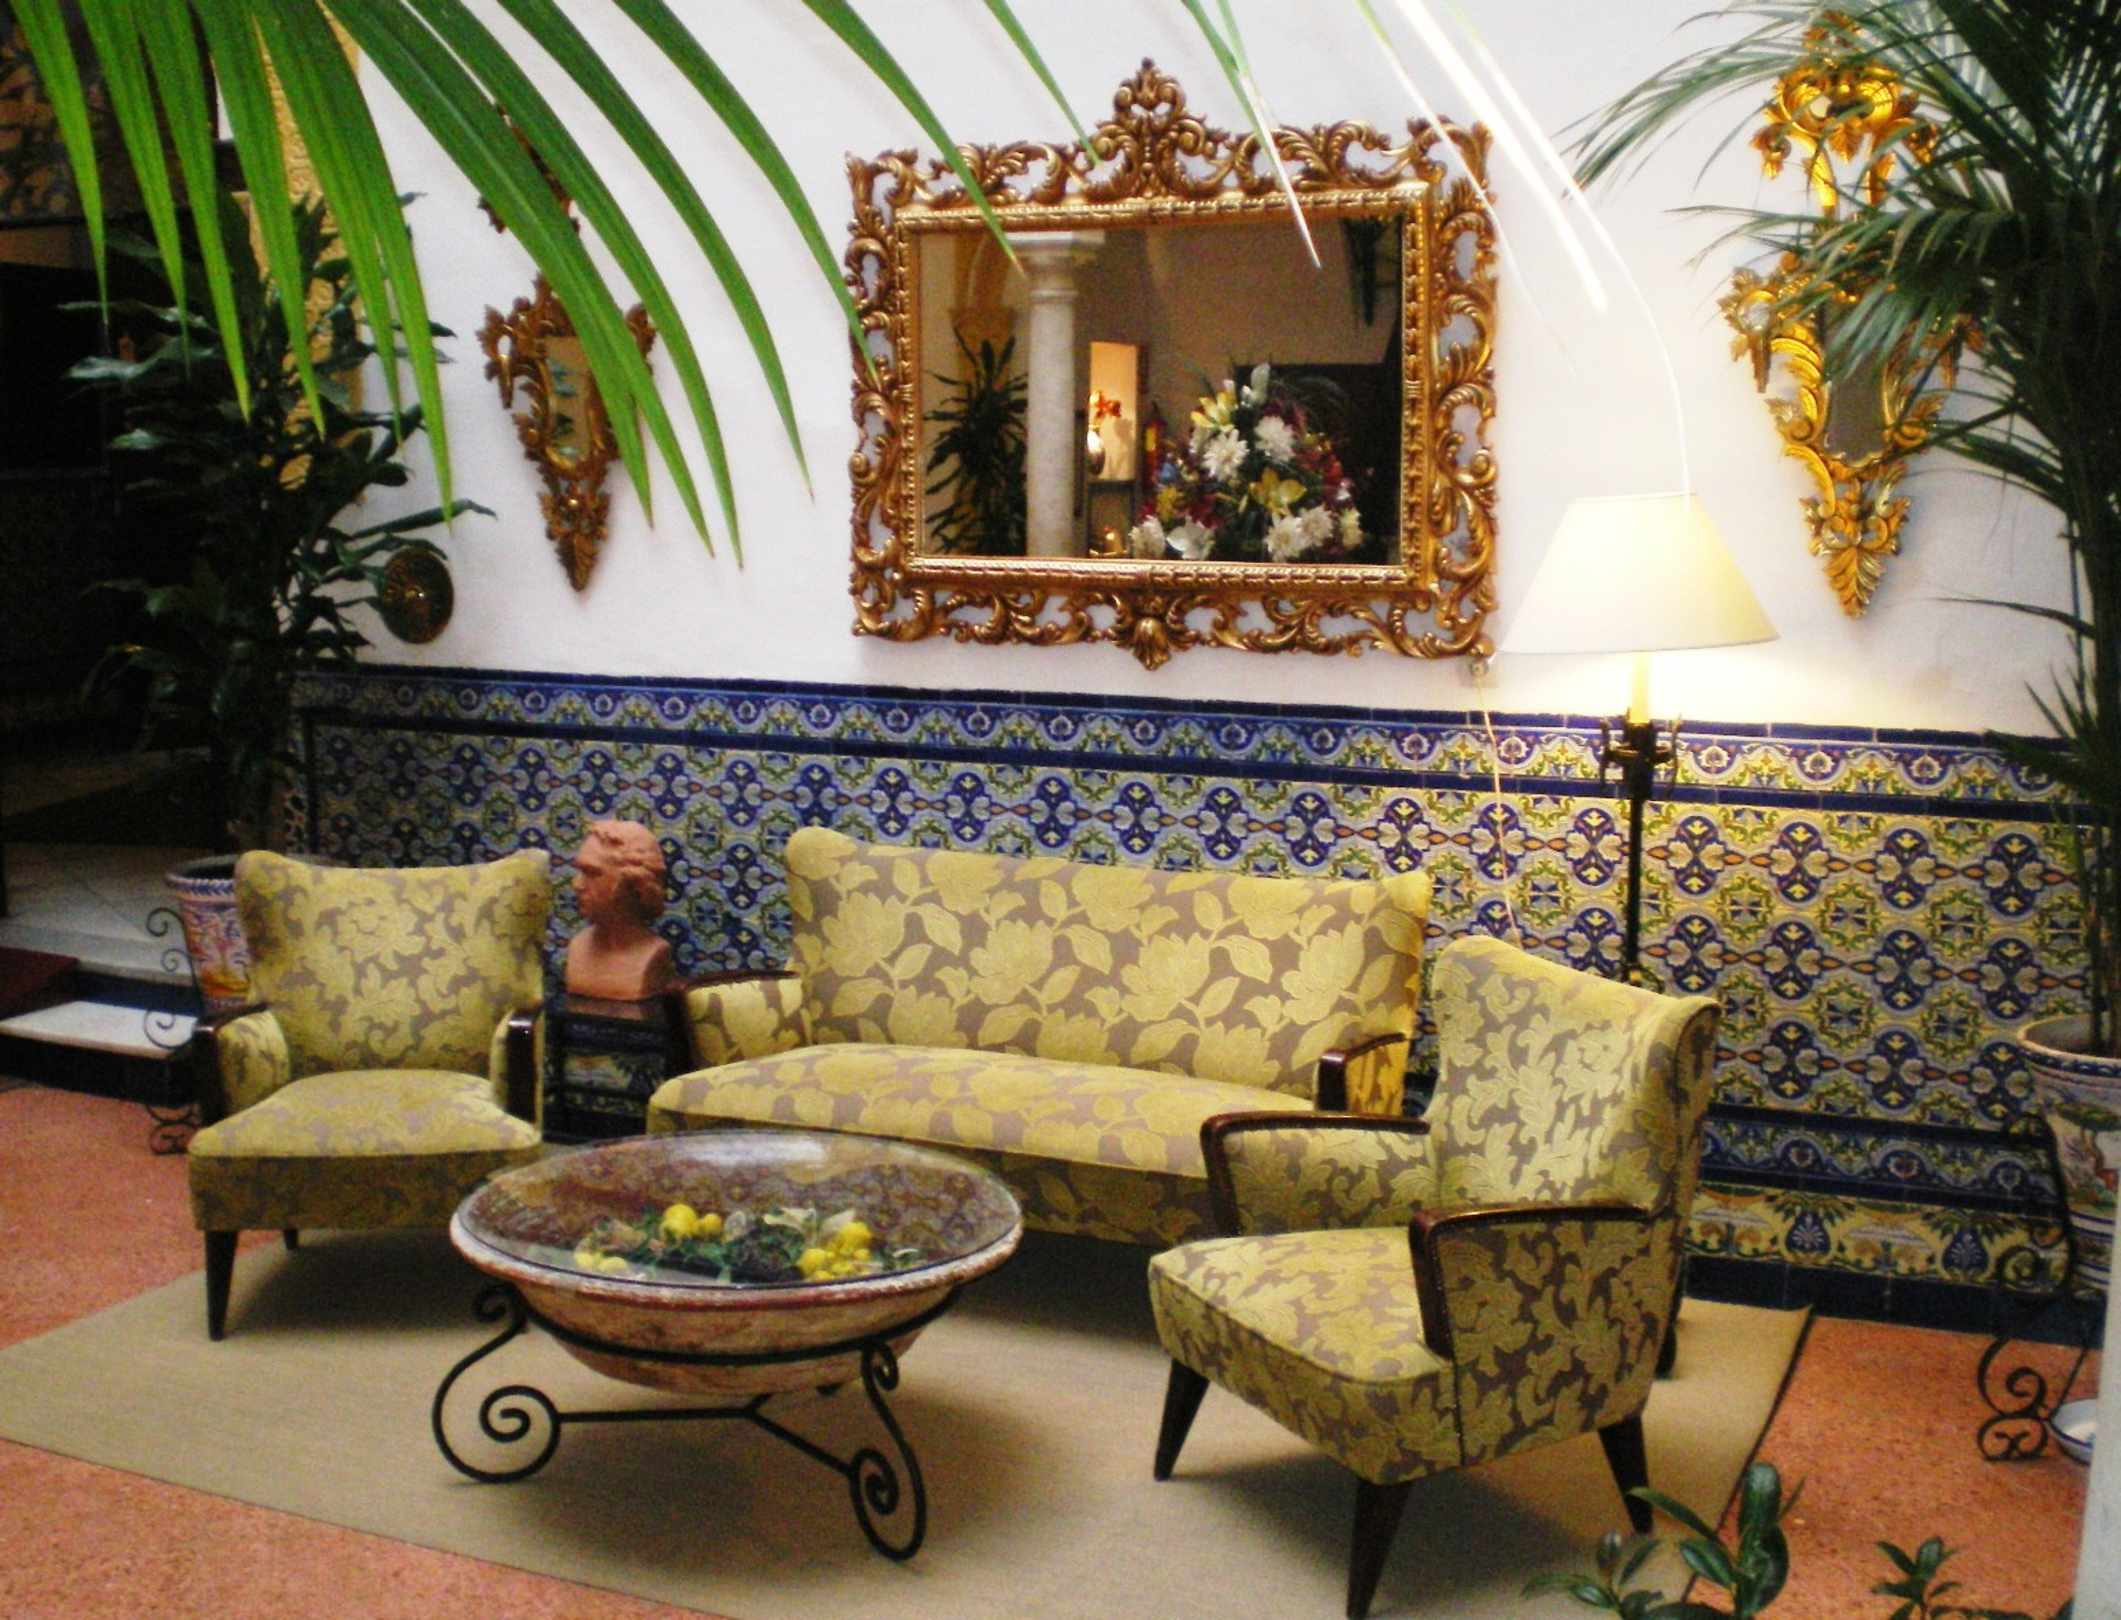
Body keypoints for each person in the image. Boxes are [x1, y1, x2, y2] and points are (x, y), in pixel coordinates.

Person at [564, 819, 680, 1002]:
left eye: (591, 873)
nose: (577, 885)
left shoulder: (654, 954)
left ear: (632, 883)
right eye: (580, 872)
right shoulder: (578, 947)